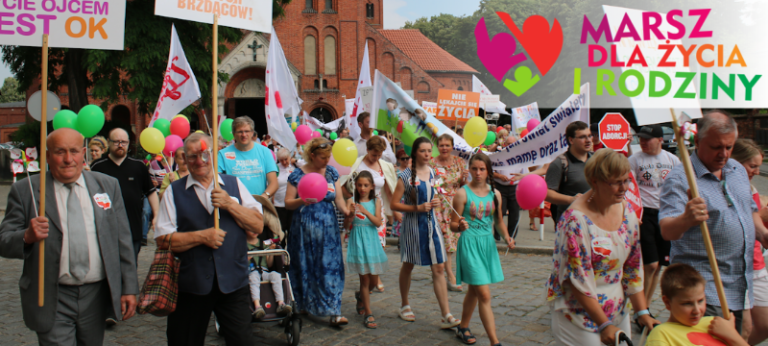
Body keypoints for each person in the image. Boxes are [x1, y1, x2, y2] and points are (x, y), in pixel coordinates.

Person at [0, 128, 138, 345]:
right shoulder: (26, 190)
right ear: (47, 155)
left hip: (96, 294)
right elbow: (4, 240)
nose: (67, 159)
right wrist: (26, 236)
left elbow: (122, 240)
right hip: (51, 295)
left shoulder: (107, 186)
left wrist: (129, 287)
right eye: (59, 152)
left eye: (74, 151)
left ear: (83, 153)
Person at [660, 111, 768, 333]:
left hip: (740, 282)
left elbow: (750, 210)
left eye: (729, 147)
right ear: (698, 141)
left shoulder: (737, 169)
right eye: (716, 147)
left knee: (743, 335)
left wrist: (763, 235)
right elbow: (667, 230)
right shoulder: (680, 178)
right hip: (704, 289)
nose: (724, 154)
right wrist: (686, 219)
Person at [154, 133, 264, 345]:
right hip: (191, 285)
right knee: (183, 341)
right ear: (184, 159)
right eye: (192, 156)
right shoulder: (174, 191)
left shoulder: (234, 185)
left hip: (233, 283)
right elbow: (163, 240)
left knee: (242, 340)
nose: (199, 161)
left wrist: (230, 204)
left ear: (213, 154)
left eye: (204, 154)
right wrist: (201, 237)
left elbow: (257, 225)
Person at [546, 148, 659, 345]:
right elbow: (578, 279)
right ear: (595, 181)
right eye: (616, 182)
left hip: (617, 309)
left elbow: (633, 266)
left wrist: (642, 311)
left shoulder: (627, 211)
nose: (624, 188)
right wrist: (603, 324)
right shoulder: (575, 221)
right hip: (578, 313)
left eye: (626, 180)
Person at [391, 137, 461, 329]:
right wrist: (417, 207)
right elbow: (394, 204)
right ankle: (405, 305)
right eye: (423, 151)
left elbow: (436, 192)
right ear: (415, 153)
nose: (428, 154)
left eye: (430, 151)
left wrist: (436, 201)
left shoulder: (433, 173)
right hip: (413, 227)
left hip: (432, 225)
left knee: (439, 268)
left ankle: (446, 314)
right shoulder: (405, 176)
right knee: (408, 265)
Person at [284, 137, 351, 326]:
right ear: (312, 155)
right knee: (304, 265)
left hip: (328, 228)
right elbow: (288, 203)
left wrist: (347, 211)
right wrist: (302, 200)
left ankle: (333, 310)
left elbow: (338, 200)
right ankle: (303, 303)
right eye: (323, 157)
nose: (327, 160)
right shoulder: (297, 175)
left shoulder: (331, 173)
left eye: (329, 156)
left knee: (330, 266)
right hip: (303, 227)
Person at [451, 153, 515, 346]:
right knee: (484, 294)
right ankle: (494, 342)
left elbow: (498, 221)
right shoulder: (462, 193)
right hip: (469, 244)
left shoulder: (495, 194)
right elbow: (453, 225)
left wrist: (506, 237)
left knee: (474, 290)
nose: (478, 173)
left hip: (487, 245)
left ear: (488, 171)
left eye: (482, 169)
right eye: (474, 169)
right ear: (469, 170)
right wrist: (459, 227)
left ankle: (463, 326)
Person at [628, 124, 682, 307]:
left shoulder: (673, 160)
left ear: (660, 140)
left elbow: (680, 186)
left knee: (658, 265)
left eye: (647, 139)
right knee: (649, 264)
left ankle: (646, 307)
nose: (642, 142)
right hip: (645, 215)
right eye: (640, 138)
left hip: (666, 215)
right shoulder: (634, 160)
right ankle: (640, 307)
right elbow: (629, 189)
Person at [340, 136, 399, 292]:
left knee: (379, 246)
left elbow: (389, 187)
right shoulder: (357, 164)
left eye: (379, 155)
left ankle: (373, 276)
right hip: (360, 208)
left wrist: (394, 211)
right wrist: (349, 199)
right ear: (367, 150)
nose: (376, 157)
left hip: (377, 208)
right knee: (364, 246)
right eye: (374, 154)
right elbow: (343, 184)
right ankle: (369, 279)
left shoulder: (385, 165)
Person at [91, 128, 159, 261]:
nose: (120, 145)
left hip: (132, 227)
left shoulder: (138, 166)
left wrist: (156, 215)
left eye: (124, 142)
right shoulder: (97, 167)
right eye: (116, 142)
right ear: (109, 143)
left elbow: (150, 192)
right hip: (105, 228)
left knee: (130, 268)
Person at [646, 263, 747, 346]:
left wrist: (733, 336)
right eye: (687, 304)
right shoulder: (662, 334)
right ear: (667, 302)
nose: (697, 310)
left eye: (700, 301)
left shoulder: (715, 324)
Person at [728, 138, 768, 344]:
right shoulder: (721, 189)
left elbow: (759, 228)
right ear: (735, 161)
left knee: (765, 325)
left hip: (757, 264)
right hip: (735, 268)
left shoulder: (752, 190)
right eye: (753, 166)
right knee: (743, 328)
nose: (757, 172)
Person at [344, 171, 388, 329]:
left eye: (366, 185)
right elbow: (346, 224)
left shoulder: (376, 201)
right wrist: (349, 216)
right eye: (360, 185)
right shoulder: (351, 200)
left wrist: (365, 211)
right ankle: (369, 313)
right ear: (355, 186)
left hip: (372, 240)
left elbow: (377, 222)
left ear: (371, 187)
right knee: (364, 279)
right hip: (358, 241)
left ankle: (361, 296)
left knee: (374, 281)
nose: (362, 188)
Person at [429, 134, 468, 292]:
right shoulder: (432, 163)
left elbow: (461, 186)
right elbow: (431, 185)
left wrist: (465, 179)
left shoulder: (459, 162)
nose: (444, 148)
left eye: (447, 145)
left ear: (452, 147)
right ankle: (450, 275)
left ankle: (445, 272)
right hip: (439, 205)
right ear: (437, 146)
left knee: (453, 241)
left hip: (455, 206)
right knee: (446, 241)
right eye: (441, 145)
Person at [218, 116, 278, 198]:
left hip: (259, 205)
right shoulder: (222, 154)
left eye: (247, 131)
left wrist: (264, 197)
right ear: (234, 133)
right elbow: (217, 182)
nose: (244, 135)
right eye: (240, 132)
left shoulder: (265, 152)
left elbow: (273, 183)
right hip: (233, 206)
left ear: (252, 132)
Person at [545, 121, 593, 224]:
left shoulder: (597, 159)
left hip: (594, 221)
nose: (588, 140)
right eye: (583, 137)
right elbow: (547, 194)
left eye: (590, 136)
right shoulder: (560, 163)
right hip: (570, 224)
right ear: (571, 140)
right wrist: (571, 199)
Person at [247, 228, 291, 319]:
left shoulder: (263, 244)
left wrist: (270, 252)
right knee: (254, 277)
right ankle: (257, 306)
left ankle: (281, 303)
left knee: (276, 275)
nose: (254, 230)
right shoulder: (242, 245)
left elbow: (269, 264)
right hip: (251, 271)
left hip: (264, 271)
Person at [274, 148, 297, 240]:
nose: (284, 162)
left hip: (292, 204)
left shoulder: (295, 167)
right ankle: (280, 252)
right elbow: (271, 183)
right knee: (280, 232)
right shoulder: (276, 168)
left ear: (289, 157)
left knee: (292, 230)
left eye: (286, 159)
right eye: (281, 160)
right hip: (279, 204)